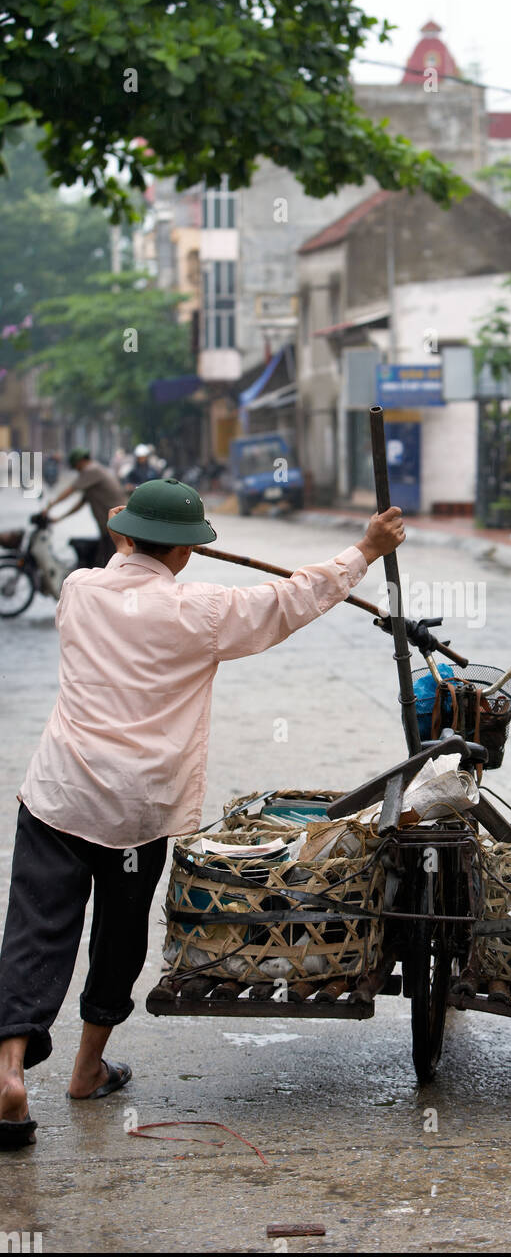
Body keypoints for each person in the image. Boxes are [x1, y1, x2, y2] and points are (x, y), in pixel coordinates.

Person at [0, 478, 405, 1149]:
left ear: (122, 537)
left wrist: (127, 529)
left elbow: (121, 554)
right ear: (187, 552)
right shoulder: (203, 611)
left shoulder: (78, 593)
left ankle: (9, 1071)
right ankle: (86, 1066)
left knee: (35, 932)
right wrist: (364, 548)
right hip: (137, 809)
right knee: (119, 936)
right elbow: (289, 600)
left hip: (61, 794)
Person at [44, 449, 126, 569]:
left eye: (76, 467)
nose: (77, 471)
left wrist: (50, 506)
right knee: (102, 561)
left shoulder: (91, 470)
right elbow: (81, 503)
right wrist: (60, 518)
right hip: (109, 526)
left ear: (81, 461)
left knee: (109, 565)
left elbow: (71, 490)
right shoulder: (94, 474)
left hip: (115, 525)